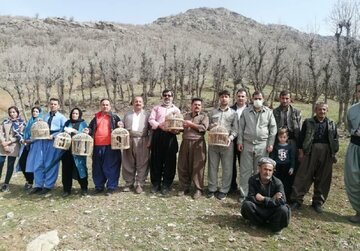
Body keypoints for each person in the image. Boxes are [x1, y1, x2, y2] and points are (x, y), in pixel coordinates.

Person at [291, 102, 339, 213]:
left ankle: (317, 202)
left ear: (327, 111)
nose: (321, 112)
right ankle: (296, 200)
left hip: (327, 152)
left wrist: (334, 154)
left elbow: (335, 139)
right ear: (315, 110)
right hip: (310, 150)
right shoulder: (308, 122)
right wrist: (301, 152)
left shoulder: (331, 123)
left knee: (323, 177)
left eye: (324, 110)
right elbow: (302, 137)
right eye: (319, 109)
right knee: (303, 175)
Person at [237, 91, 277, 201]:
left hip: (262, 145)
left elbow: (273, 129)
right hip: (247, 144)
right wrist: (239, 142)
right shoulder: (246, 112)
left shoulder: (268, 112)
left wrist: (270, 144)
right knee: (245, 170)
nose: (257, 101)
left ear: (263, 99)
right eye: (255, 98)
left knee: (259, 171)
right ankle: (244, 194)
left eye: (259, 98)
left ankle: (257, 194)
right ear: (252, 99)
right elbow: (240, 128)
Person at [241, 157, 290, 234]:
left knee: (283, 209)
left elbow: (282, 201)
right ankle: (256, 223)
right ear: (259, 169)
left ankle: (275, 227)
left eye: (270, 170)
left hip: (272, 210)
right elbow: (251, 197)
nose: (267, 172)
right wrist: (273, 199)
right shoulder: (253, 180)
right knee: (247, 204)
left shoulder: (278, 182)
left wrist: (264, 199)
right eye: (265, 169)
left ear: (273, 171)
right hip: (259, 208)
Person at [29, 98, 67, 195]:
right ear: (49, 105)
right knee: (38, 163)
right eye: (51, 104)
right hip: (42, 141)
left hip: (53, 142)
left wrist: (54, 136)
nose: (53, 105)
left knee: (50, 164)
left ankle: (48, 185)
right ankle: (38, 185)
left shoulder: (62, 118)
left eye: (55, 104)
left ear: (58, 106)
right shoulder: (45, 116)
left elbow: (65, 130)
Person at [84, 98, 122, 196]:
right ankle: (99, 186)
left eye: (107, 105)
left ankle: (111, 187)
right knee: (97, 167)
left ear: (110, 106)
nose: (105, 106)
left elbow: (120, 130)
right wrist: (88, 130)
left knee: (111, 167)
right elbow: (91, 128)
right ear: (100, 106)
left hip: (111, 146)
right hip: (97, 146)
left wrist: (121, 126)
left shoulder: (115, 117)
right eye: (103, 104)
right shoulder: (96, 117)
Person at [207, 90, 238, 200]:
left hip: (227, 144)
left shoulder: (233, 113)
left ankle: (224, 190)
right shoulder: (213, 112)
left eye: (226, 96)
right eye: (222, 96)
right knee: (212, 166)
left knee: (227, 167)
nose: (224, 98)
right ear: (219, 98)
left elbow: (235, 129)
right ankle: (212, 188)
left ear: (229, 98)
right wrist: (212, 126)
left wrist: (230, 138)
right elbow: (207, 126)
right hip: (213, 142)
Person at [148, 89, 180, 195]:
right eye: (165, 95)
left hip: (170, 136)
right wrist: (159, 125)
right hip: (158, 134)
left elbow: (180, 122)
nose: (167, 97)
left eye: (169, 95)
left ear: (172, 97)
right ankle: (156, 184)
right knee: (156, 160)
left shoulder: (176, 109)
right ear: (162, 96)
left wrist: (176, 129)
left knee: (169, 161)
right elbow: (151, 119)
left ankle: (166, 184)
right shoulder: (156, 108)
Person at [272, 90, 301, 201]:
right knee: (278, 168)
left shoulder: (296, 112)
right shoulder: (275, 112)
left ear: (290, 99)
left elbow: (299, 128)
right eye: (283, 98)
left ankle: (290, 194)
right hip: (278, 141)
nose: (285, 101)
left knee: (292, 166)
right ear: (279, 98)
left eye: (287, 98)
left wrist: (300, 147)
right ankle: (277, 192)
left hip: (292, 141)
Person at [177, 98, 209, 199]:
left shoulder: (204, 116)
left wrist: (191, 124)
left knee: (197, 166)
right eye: (195, 104)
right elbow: (181, 127)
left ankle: (198, 189)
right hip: (185, 141)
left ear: (201, 106)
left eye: (199, 105)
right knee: (183, 164)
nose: (197, 106)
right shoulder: (186, 116)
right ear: (191, 105)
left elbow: (204, 128)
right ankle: (184, 187)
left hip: (198, 142)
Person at [122, 96, 151, 194]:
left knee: (142, 162)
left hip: (142, 139)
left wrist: (150, 140)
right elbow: (122, 126)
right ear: (132, 103)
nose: (138, 103)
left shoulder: (147, 115)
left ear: (143, 103)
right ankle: (129, 183)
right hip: (129, 139)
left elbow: (152, 130)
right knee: (128, 161)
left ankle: (140, 184)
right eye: (136, 101)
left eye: (140, 102)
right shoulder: (127, 114)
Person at [61, 108, 88, 197]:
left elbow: (86, 135)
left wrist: (76, 132)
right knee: (66, 170)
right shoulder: (67, 123)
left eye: (76, 113)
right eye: (73, 113)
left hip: (78, 151)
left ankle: (84, 188)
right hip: (67, 150)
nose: (74, 115)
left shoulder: (83, 123)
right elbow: (62, 133)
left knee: (80, 169)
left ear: (79, 115)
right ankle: (66, 189)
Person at [344, 82, 360, 223]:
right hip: (355, 146)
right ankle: (358, 211)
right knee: (353, 180)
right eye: (359, 91)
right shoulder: (352, 110)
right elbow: (349, 127)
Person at [0, 106, 26, 192]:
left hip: (14, 146)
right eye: (10, 112)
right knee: (0, 162)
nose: (12, 114)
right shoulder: (5, 121)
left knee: (10, 165)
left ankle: (6, 184)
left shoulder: (21, 123)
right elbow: (0, 132)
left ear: (17, 113)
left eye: (14, 112)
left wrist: (9, 142)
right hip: (2, 145)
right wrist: (4, 143)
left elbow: (20, 136)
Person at [18, 106, 42, 191]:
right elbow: (24, 132)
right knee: (22, 162)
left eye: (37, 111)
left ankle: (32, 182)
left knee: (31, 164)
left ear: (40, 113)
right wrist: (23, 137)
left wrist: (30, 141)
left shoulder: (40, 122)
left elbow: (39, 134)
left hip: (35, 145)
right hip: (26, 145)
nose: (35, 113)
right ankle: (29, 180)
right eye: (33, 111)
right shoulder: (29, 122)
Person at [230, 88, 248, 193]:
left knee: (244, 166)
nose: (240, 98)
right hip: (232, 140)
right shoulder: (231, 109)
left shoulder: (250, 109)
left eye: (243, 96)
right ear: (236, 97)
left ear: (246, 98)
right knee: (231, 165)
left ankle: (244, 187)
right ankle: (232, 186)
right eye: (239, 96)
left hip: (245, 141)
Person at [270, 128, 295, 200]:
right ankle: (275, 196)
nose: (282, 139)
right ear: (278, 137)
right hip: (277, 167)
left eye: (284, 137)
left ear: (287, 137)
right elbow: (272, 157)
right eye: (280, 137)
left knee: (286, 183)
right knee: (276, 182)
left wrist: (292, 167)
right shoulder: (276, 147)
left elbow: (292, 158)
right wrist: (272, 166)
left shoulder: (289, 147)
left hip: (286, 167)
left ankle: (285, 197)